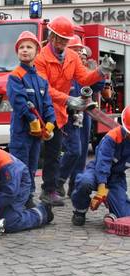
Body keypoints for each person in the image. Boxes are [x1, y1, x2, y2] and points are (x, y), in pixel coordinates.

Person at [34, 16, 115, 206]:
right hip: (46, 111)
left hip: (61, 111)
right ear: (52, 36)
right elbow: (44, 89)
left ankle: (55, 186)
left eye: (65, 39)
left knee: (69, 151)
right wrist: (69, 99)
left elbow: (84, 78)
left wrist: (101, 71)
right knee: (52, 154)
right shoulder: (41, 59)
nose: (62, 42)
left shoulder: (71, 56)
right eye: (60, 38)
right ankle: (48, 190)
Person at [7, 31, 55, 208]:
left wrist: (50, 123)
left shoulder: (41, 79)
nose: (24, 50)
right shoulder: (15, 76)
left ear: (37, 51)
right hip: (21, 133)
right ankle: (18, 199)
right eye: (21, 47)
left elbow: (48, 103)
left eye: (29, 47)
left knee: (33, 167)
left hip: (36, 135)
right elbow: (18, 101)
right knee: (20, 167)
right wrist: (32, 120)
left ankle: (28, 198)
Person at [56, 37, 105, 198]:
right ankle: (59, 180)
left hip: (84, 115)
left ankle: (74, 186)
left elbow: (98, 87)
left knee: (82, 151)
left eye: (80, 50)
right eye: (75, 49)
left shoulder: (82, 69)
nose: (79, 53)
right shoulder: (64, 68)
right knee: (73, 150)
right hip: (69, 115)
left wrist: (99, 72)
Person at [71, 105, 130, 226]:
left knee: (124, 216)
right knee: (84, 182)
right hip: (96, 170)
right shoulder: (112, 137)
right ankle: (80, 210)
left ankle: (115, 209)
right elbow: (102, 162)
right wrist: (102, 188)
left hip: (116, 177)